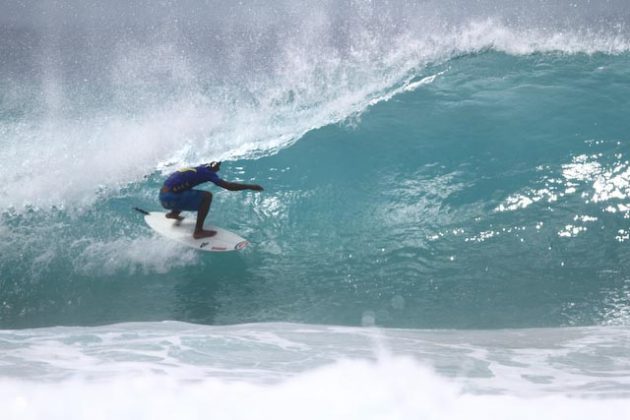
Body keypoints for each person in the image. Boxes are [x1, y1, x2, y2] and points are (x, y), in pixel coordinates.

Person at [159, 161, 263, 239]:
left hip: (163, 197)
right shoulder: (208, 173)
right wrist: (250, 187)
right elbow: (229, 186)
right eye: (218, 166)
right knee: (207, 196)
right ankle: (198, 231)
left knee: (185, 189)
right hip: (171, 198)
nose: (219, 168)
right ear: (214, 165)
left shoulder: (197, 168)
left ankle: (173, 214)